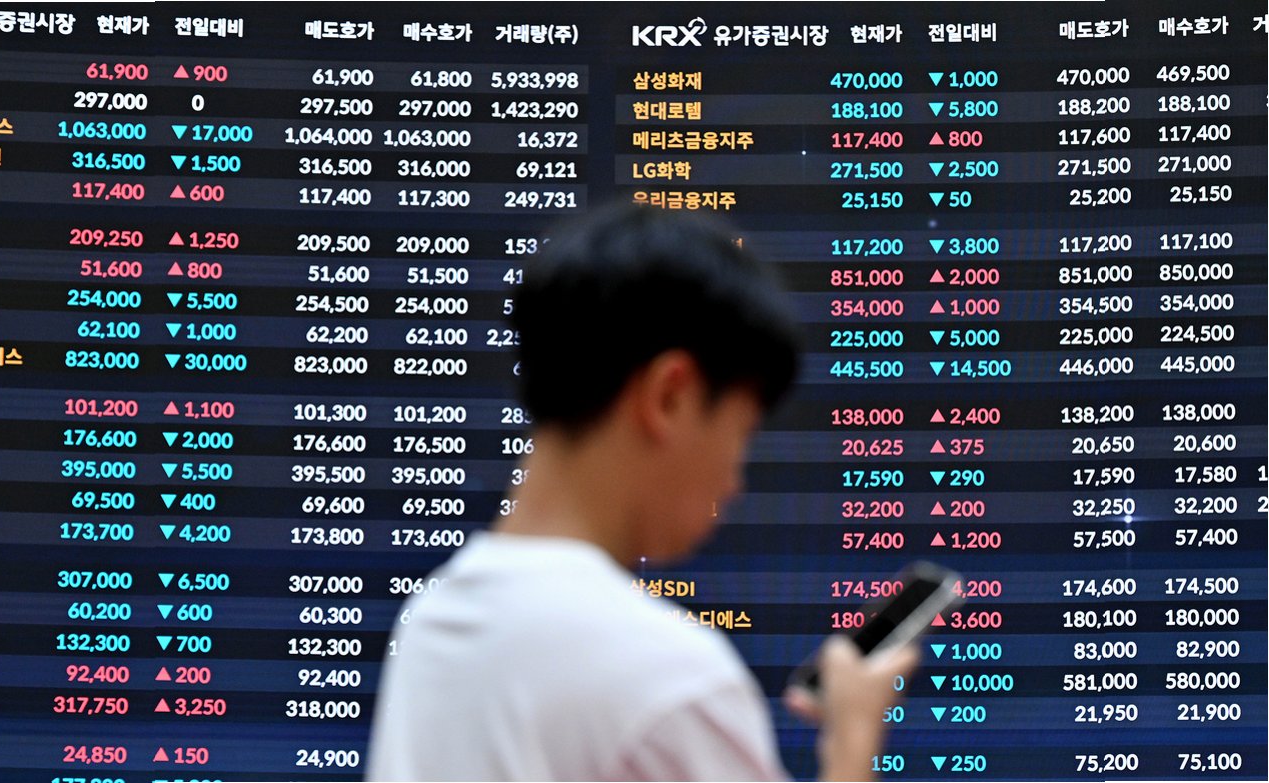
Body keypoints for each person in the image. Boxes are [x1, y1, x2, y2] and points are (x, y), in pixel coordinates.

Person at [367, 204, 918, 781]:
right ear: (669, 398)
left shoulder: (432, 619)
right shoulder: (670, 683)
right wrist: (853, 741)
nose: (734, 483)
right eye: (740, 435)